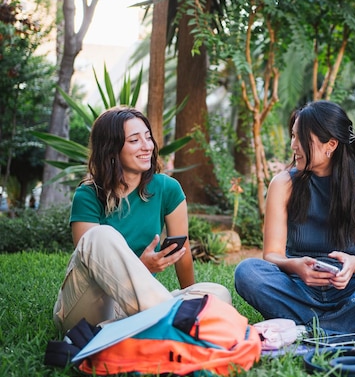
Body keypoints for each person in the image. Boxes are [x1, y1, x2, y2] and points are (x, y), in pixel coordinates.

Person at [234, 101, 355, 334]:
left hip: (353, 290)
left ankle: (311, 326)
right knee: (247, 272)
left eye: (301, 138)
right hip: (298, 288)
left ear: (331, 144)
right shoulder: (283, 184)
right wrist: (296, 265)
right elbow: (271, 255)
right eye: (292, 136)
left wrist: (354, 264)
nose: (293, 145)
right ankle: (351, 323)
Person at [53, 106, 231, 333]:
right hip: (89, 306)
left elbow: (182, 248)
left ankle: (123, 331)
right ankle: (174, 325)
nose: (147, 146)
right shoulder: (88, 194)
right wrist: (143, 266)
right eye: (135, 140)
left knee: (216, 295)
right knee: (100, 236)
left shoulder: (167, 188)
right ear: (111, 148)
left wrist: (191, 295)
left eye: (148, 137)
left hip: (135, 308)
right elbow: (91, 261)